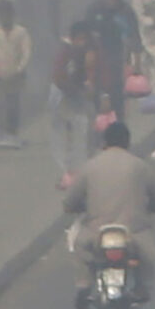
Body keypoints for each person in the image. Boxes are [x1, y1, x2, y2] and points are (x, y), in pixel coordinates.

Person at [65, 119, 155, 305]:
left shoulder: (90, 166)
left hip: (96, 232)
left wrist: (77, 207)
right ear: (127, 142)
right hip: (134, 232)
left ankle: (83, 284)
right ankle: (142, 287)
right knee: (148, 255)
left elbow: (70, 201)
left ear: (105, 142)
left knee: (79, 246)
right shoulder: (140, 166)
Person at [47, 22, 103, 187]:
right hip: (63, 97)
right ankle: (68, 172)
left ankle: (84, 169)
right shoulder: (65, 53)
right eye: (80, 39)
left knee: (86, 130)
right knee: (66, 135)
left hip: (79, 95)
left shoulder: (89, 49)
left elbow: (93, 71)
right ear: (73, 39)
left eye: (85, 39)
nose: (83, 42)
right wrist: (77, 91)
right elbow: (59, 79)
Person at [0, 0, 33, 148]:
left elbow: (26, 52)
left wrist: (20, 69)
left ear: (12, 14)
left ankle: (13, 135)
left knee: (13, 105)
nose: (4, 17)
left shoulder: (21, 32)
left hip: (16, 74)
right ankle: (1, 136)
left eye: (7, 14)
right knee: (0, 106)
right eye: (1, 14)